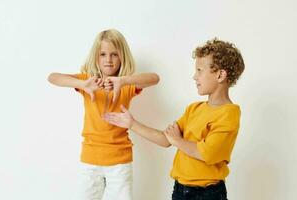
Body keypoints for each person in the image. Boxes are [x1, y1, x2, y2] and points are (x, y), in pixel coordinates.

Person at [103, 38, 245, 200]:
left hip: (208, 194)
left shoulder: (229, 113)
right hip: (180, 190)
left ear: (220, 75)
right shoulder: (194, 109)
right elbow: (166, 139)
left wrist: (177, 140)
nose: (194, 76)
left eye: (199, 70)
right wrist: (131, 124)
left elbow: (207, 153)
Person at [47, 29, 159, 200]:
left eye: (114, 54)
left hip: (120, 162)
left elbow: (154, 78)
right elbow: (53, 77)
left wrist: (123, 81)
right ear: (96, 57)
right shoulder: (88, 81)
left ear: (122, 56)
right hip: (90, 160)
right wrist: (83, 84)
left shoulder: (127, 85)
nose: (108, 60)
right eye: (103, 54)